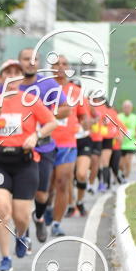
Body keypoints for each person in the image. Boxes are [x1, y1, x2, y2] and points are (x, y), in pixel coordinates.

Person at [0, 60, 58, 271]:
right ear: (1, 78)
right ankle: (5, 258)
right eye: (7, 72)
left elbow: (52, 123)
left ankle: (21, 235)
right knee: (2, 211)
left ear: (21, 79)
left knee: (21, 216)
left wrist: (36, 135)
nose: (12, 76)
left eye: (16, 73)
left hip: (25, 163)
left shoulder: (31, 101)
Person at [17, 48, 70, 242]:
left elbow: (66, 110)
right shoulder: (10, 85)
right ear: (19, 62)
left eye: (34, 59)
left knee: (41, 194)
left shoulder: (48, 84)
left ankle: (38, 217)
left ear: (39, 62)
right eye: (25, 59)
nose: (30, 62)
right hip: (18, 147)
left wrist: (45, 115)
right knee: (21, 196)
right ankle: (23, 235)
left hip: (44, 145)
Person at [47, 56, 89, 236]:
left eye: (64, 64)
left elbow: (83, 117)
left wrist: (84, 124)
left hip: (67, 143)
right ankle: (45, 208)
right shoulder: (42, 88)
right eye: (56, 64)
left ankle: (57, 223)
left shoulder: (76, 91)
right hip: (45, 143)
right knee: (46, 187)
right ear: (51, 68)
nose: (60, 67)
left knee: (63, 183)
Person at [118, 100, 136, 180]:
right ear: (122, 108)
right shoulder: (119, 116)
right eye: (125, 107)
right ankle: (122, 174)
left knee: (128, 161)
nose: (127, 109)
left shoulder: (135, 117)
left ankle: (126, 178)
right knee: (121, 164)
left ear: (131, 108)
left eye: (128, 107)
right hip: (120, 144)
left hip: (131, 144)